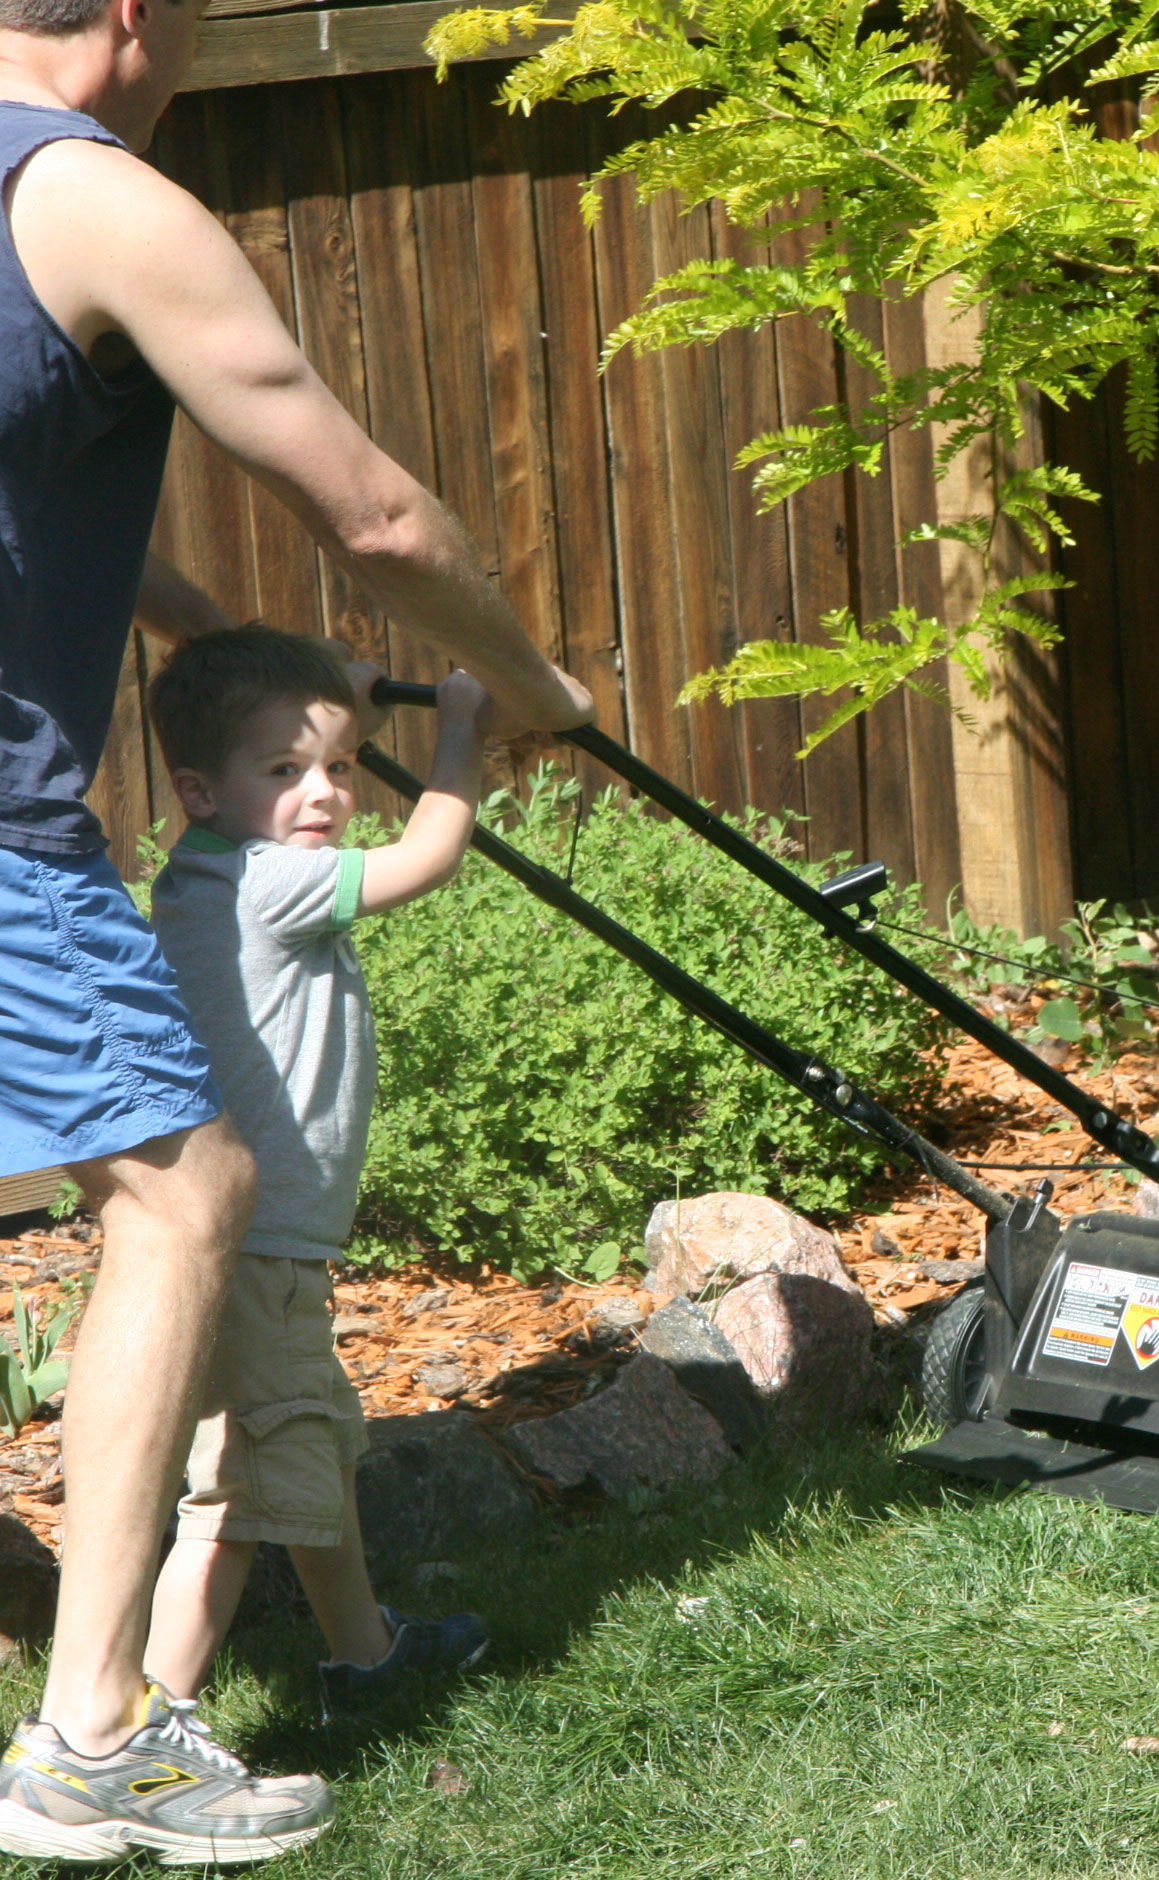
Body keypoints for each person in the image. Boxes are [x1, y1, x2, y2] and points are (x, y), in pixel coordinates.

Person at [0, 0, 592, 1857]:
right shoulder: (95, 200)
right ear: (135, 15)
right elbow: (377, 515)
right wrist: (533, 688)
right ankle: (95, 1733)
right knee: (188, 1193)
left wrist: (191, 626)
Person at [139, 628, 492, 1718]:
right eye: (286, 769)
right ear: (201, 789)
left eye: (338, 767)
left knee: (309, 1454)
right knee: (235, 1506)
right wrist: (463, 727)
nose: (326, 793)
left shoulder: (203, 869)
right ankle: (139, 1725)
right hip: (265, 1251)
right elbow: (428, 857)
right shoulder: (268, 883)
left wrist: (342, 713)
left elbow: (295, 767)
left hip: (235, 1241)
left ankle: (366, 1658)